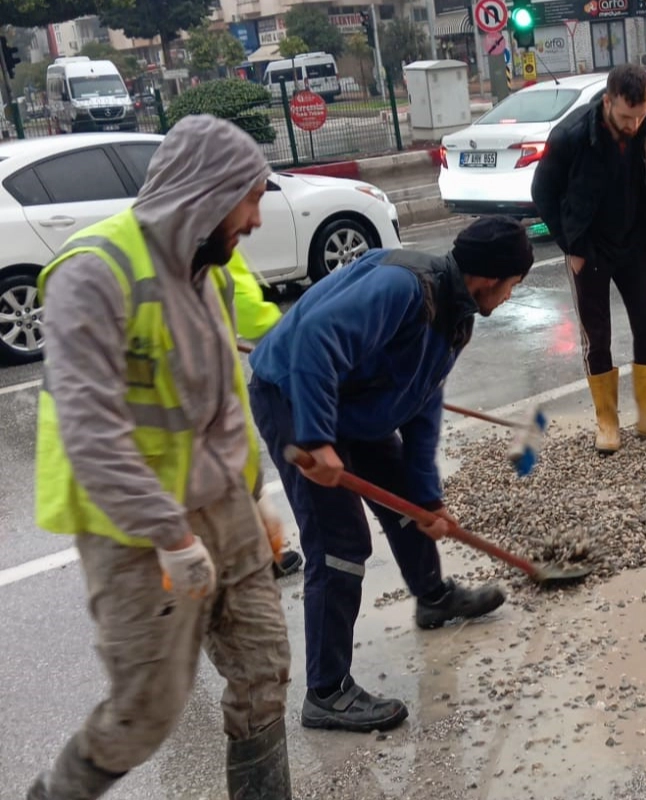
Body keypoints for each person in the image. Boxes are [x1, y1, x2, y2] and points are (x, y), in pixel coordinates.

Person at [27, 115, 293, 799]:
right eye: (249, 200)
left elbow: (224, 397)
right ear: (207, 194)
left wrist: (256, 491)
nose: (256, 220)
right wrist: (171, 536)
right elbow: (90, 428)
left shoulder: (210, 274)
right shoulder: (94, 273)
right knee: (147, 710)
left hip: (224, 505)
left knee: (263, 668)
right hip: (136, 528)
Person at [246, 215, 533, 734]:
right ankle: (327, 691)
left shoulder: (455, 316)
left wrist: (428, 497)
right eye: (514, 283)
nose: (511, 294)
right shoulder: (404, 288)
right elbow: (314, 339)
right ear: (491, 277)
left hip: (357, 402)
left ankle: (433, 598)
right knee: (340, 542)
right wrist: (317, 438)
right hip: (295, 394)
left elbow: (421, 406)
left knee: (408, 503)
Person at [531, 63, 646, 455]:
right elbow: (542, 192)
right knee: (597, 336)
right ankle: (607, 423)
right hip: (589, 248)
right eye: (625, 117)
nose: (634, 125)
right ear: (607, 102)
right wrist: (571, 246)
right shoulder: (571, 137)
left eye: (640, 115)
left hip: (636, 242)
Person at [227, 250, 304, 580]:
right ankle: (258, 552)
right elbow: (248, 310)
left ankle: (261, 549)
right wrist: (290, 340)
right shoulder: (210, 239)